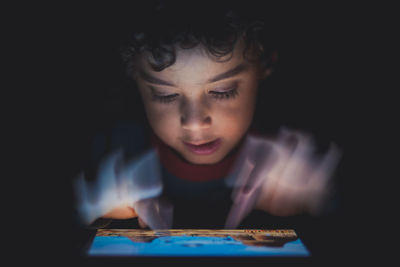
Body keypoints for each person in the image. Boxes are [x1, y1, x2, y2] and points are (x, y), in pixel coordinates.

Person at [72, 0, 341, 232]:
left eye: (223, 91)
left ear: (266, 63)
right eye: (165, 95)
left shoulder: (305, 165)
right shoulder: (103, 156)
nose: (194, 122)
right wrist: (86, 211)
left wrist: (324, 202)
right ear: (134, 77)